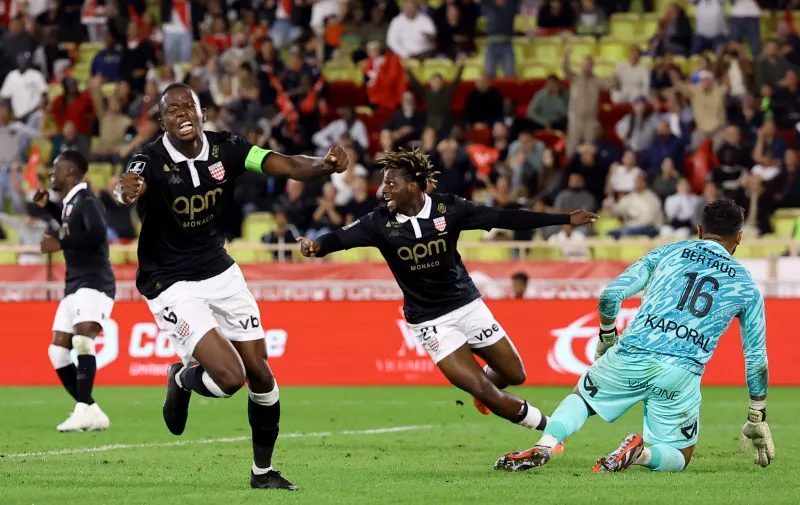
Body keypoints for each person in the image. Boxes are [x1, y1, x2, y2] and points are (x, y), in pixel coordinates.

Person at [114, 83, 348, 491]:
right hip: (169, 281)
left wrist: (326, 165)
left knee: (261, 376)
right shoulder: (148, 160)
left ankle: (263, 473)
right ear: (162, 120)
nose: (182, 113)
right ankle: (183, 378)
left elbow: (287, 165)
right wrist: (123, 192)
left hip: (219, 271)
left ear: (203, 111)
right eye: (172, 110)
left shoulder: (229, 148)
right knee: (228, 378)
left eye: (189, 106)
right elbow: (125, 185)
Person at [297, 148, 597, 445]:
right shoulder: (379, 222)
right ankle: (550, 432)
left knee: (514, 373)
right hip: (430, 321)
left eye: (391, 183)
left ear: (413, 185)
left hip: (468, 306)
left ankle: (485, 396)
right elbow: (340, 238)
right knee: (489, 392)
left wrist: (565, 219)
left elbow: (504, 217)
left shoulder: (449, 209)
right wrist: (316, 246)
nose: (383, 190)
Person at [495, 199, 773, 473]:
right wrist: (756, 415)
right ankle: (641, 454)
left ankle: (546, 443)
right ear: (739, 237)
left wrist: (606, 339)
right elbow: (756, 358)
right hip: (681, 371)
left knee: (582, 398)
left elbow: (610, 296)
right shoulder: (746, 285)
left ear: (700, 231)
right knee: (680, 454)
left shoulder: (667, 252)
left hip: (632, 351)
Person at [33, 150, 115, 432]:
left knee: (82, 342)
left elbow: (95, 233)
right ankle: (92, 409)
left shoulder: (88, 199)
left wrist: (59, 242)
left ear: (70, 172)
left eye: (56, 169)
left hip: (94, 283)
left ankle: (82, 410)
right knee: (57, 351)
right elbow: (73, 227)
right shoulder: (70, 203)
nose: (52, 174)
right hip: (75, 284)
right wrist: (50, 208)